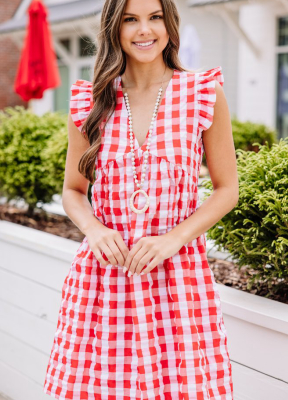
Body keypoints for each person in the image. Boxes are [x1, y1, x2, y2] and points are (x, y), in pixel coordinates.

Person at [43, 0, 238, 398]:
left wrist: (173, 239)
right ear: (114, 27)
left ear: (170, 23)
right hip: (104, 277)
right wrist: (94, 230)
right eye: (131, 19)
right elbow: (73, 191)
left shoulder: (202, 93)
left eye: (154, 17)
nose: (144, 30)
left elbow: (227, 190)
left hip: (176, 278)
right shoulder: (91, 100)